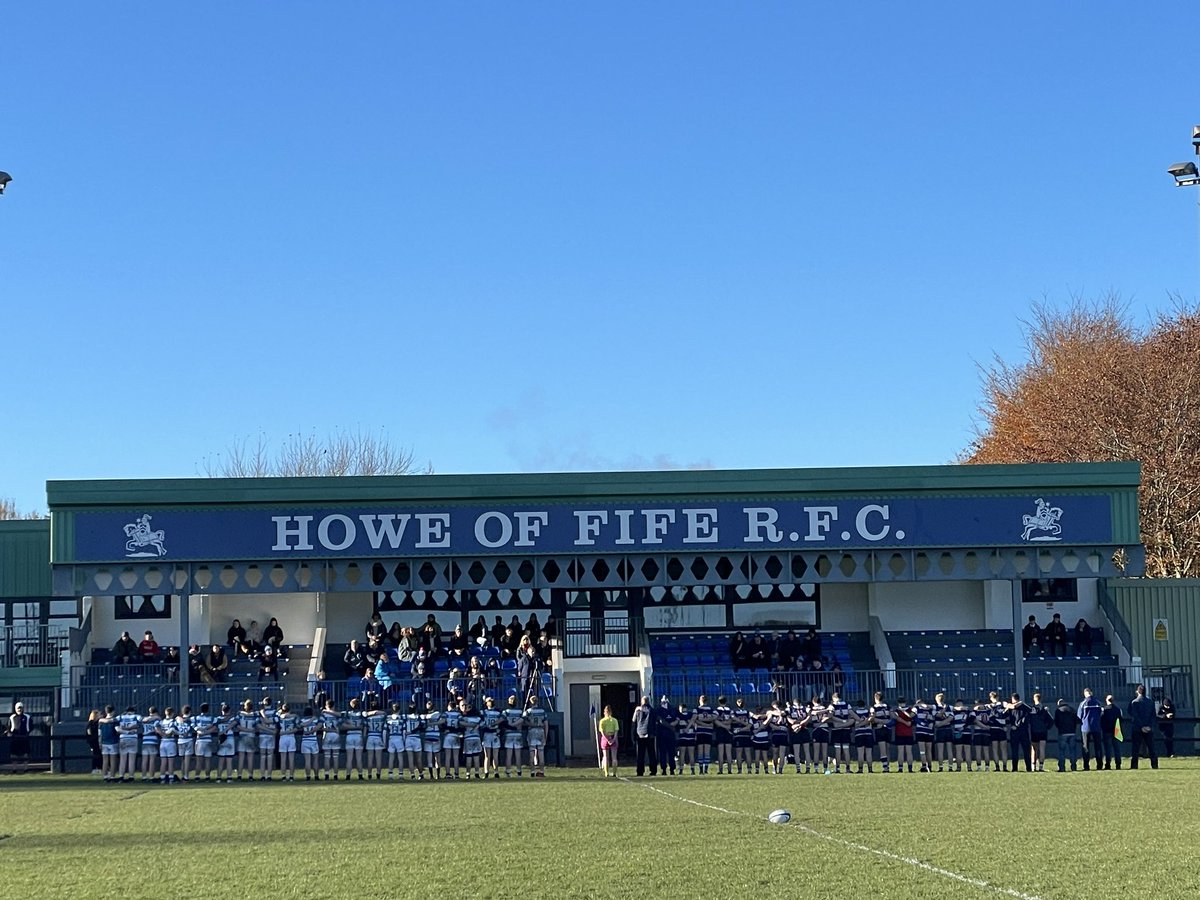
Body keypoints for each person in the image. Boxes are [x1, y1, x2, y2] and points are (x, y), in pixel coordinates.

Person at [1127, 684, 1159, 770]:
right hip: (1148, 728)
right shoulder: (1151, 702)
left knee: (1135, 748)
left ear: (1138, 691)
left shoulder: (1134, 702)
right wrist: (1149, 726)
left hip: (1137, 728)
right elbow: (1153, 716)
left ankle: (1134, 765)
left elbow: (1134, 715)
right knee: (1151, 747)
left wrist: (1141, 726)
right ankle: (1154, 764)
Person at [1077, 688, 1103, 771]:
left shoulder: (1083, 703)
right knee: (1098, 746)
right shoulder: (1098, 703)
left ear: (1085, 694)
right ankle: (1099, 765)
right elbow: (1101, 714)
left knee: (1086, 747)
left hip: (1085, 728)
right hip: (1096, 727)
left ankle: (1086, 766)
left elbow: (1079, 716)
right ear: (1091, 693)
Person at [631, 695, 656, 777]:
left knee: (640, 754)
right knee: (651, 753)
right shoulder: (652, 710)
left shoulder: (637, 710)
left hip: (640, 734)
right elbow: (655, 721)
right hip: (650, 734)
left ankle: (640, 771)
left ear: (642, 701)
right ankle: (653, 770)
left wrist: (633, 734)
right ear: (648, 701)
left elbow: (633, 722)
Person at [1054, 697, 1080, 772]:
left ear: (1059, 704)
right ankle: (1073, 766)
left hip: (1062, 733)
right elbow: (1078, 720)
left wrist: (1060, 727)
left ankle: (1062, 767)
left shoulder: (1058, 711)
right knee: (1072, 751)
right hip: (1072, 732)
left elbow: (1056, 722)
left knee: (1062, 751)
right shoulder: (1072, 710)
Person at [655, 696, 678, 775]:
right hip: (662, 734)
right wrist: (671, 727)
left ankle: (672, 769)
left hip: (670, 735)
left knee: (671, 752)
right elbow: (660, 720)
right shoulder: (658, 710)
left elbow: (677, 719)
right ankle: (664, 768)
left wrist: (674, 725)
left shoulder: (673, 710)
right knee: (663, 752)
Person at [1100, 694, 1122, 769]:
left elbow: (1101, 720)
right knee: (1117, 748)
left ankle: (1108, 764)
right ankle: (1118, 764)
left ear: (1106, 700)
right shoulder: (1117, 709)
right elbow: (1120, 720)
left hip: (1107, 731)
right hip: (1116, 731)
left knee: (1108, 749)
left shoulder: (1105, 710)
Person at [8, 701, 31, 773]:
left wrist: (28, 732)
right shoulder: (12, 717)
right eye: (18, 708)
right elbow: (8, 727)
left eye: (21, 708)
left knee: (25, 753)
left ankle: (26, 769)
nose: (19, 709)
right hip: (15, 738)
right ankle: (14, 769)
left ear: (23, 708)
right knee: (13, 754)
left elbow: (31, 726)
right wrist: (10, 733)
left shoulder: (27, 717)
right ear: (15, 709)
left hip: (24, 737)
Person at [597, 704, 619, 777]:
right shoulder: (614, 720)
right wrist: (613, 739)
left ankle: (606, 773)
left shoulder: (602, 721)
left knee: (605, 756)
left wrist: (606, 739)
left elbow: (602, 732)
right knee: (614, 757)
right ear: (611, 712)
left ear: (604, 712)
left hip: (605, 737)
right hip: (613, 736)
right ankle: (614, 773)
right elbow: (616, 731)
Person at [86, 708, 105, 777]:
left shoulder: (99, 723)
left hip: (99, 741)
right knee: (95, 755)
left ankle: (100, 768)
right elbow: (89, 734)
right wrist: (91, 744)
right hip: (94, 742)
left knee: (101, 756)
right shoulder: (90, 724)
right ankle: (95, 768)